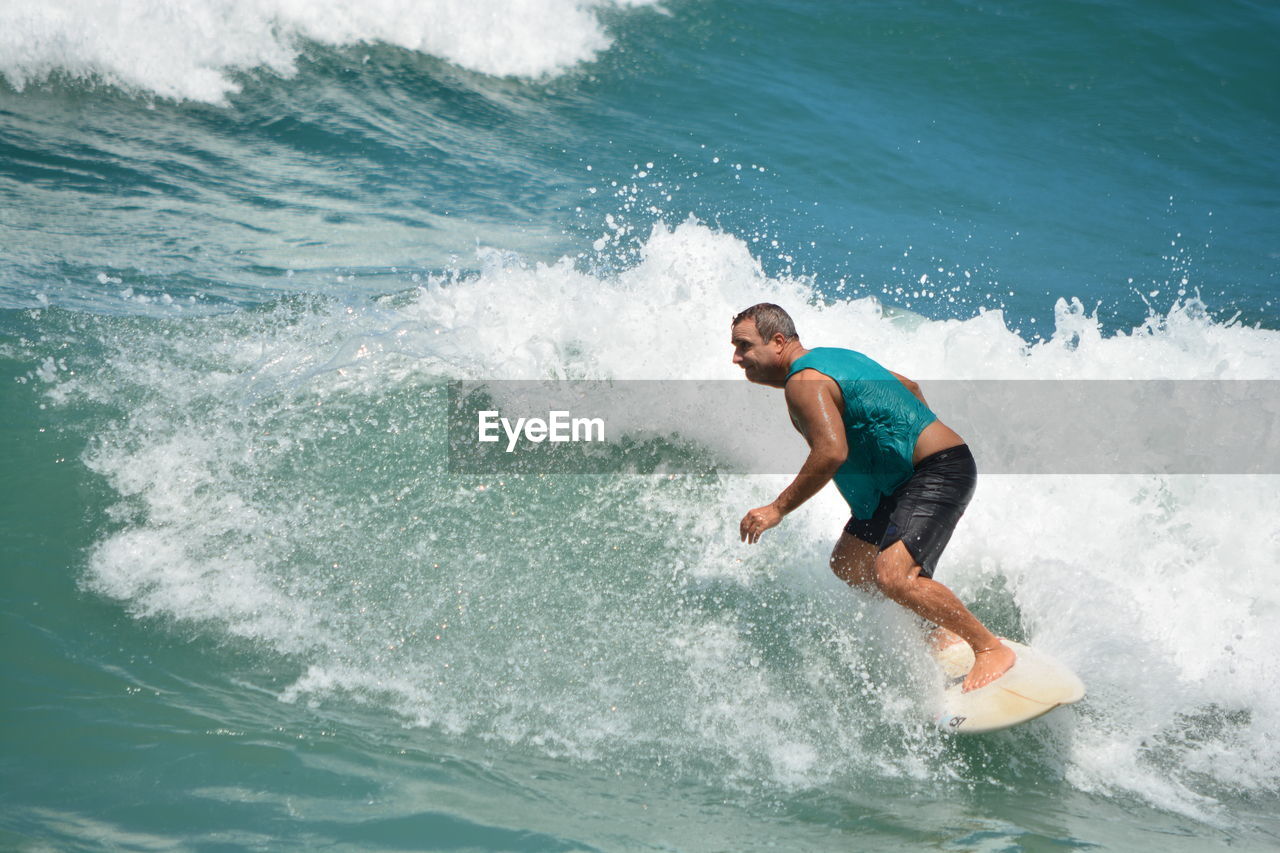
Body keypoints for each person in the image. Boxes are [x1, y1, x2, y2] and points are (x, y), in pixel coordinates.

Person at [730, 302, 1015, 691]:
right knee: (849, 564)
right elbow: (910, 387)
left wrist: (776, 508)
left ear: (778, 341)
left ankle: (989, 648)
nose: (737, 358)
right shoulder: (833, 359)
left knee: (892, 575)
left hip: (935, 471)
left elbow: (831, 452)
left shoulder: (803, 382)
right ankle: (937, 630)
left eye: (744, 346)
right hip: (899, 484)